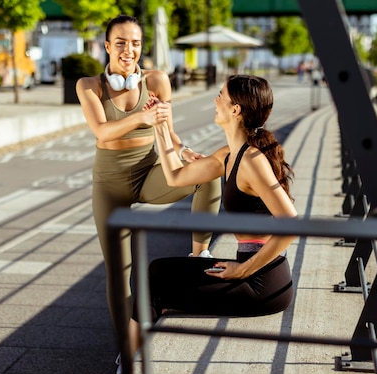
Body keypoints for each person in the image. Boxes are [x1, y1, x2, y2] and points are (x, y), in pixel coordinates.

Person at [75, 15, 222, 339]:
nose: (129, 50)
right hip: (109, 184)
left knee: (209, 170)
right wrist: (143, 115)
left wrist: (185, 153)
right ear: (107, 46)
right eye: (121, 43)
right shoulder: (89, 86)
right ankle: (126, 349)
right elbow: (101, 131)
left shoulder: (156, 81)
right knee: (119, 272)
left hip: (150, 172)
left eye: (136, 43)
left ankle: (200, 254)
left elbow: (167, 132)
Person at [128, 74, 298, 352]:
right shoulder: (229, 155)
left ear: (235, 110)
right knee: (157, 270)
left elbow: (290, 222)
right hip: (250, 273)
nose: (215, 100)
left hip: (263, 285)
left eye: (221, 95)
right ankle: (132, 359)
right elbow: (175, 176)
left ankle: (129, 367)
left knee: (157, 287)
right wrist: (160, 127)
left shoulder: (252, 160)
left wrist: (242, 270)